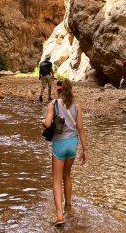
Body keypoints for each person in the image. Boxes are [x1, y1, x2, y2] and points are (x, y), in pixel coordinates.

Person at [42, 79, 88, 228]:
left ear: (58, 89)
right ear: (71, 89)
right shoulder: (77, 106)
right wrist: (85, 150)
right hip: (73, 144)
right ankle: (69, 206)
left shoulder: (53, 104)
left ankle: (60, 215)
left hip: (59, 145)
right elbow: (80, 128)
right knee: (67, 175)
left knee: (56, 179)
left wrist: (43, 121)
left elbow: (48, 124)